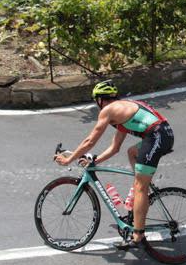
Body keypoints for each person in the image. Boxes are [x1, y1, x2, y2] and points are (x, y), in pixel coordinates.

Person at [55, 80, 174, 249]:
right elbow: (114, 148)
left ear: (100, 100)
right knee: (131, 153)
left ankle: (138, 235)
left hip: (157, 136)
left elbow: (90, 141)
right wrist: (94, 161)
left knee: (140, 187)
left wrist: (69, 159)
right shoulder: (121, 111)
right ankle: (142, 192)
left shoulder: (109, 110)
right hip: (160, 135)